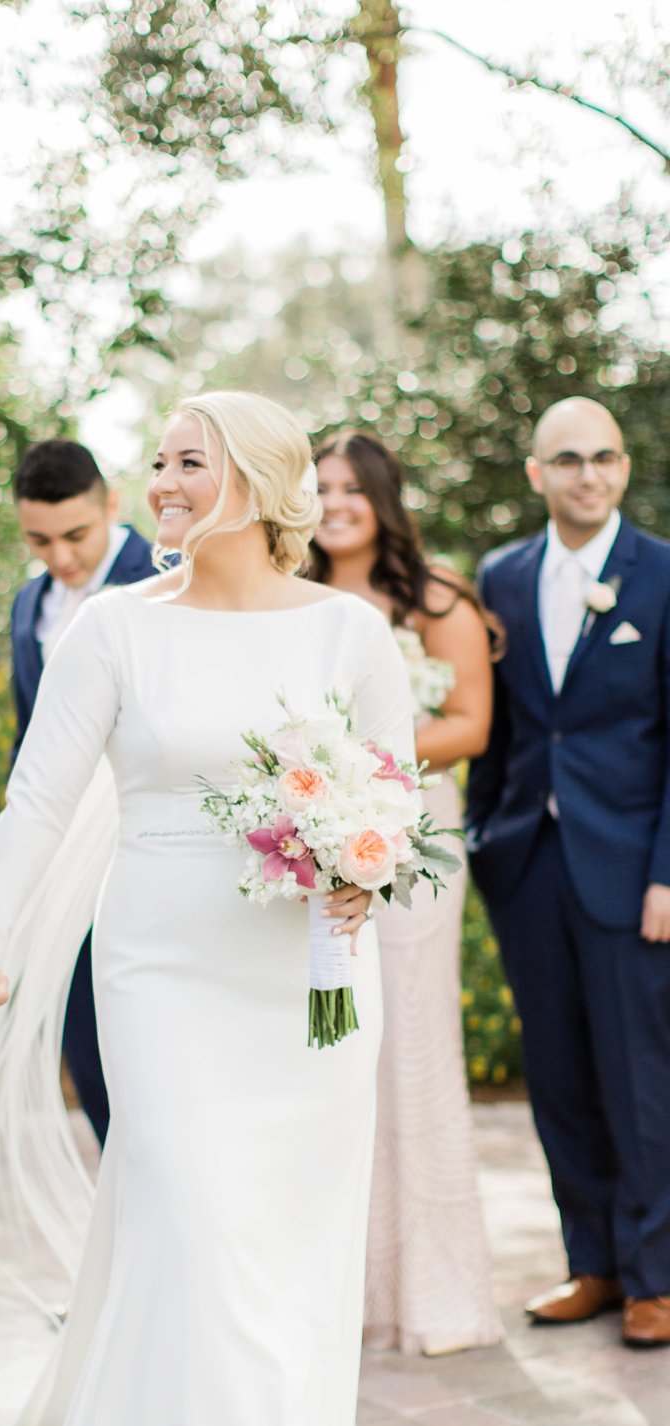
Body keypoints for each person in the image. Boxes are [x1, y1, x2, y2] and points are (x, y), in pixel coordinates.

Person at [0, 392, 414, 1426]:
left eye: (190, 462)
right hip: (161, 968)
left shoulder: (348, 634)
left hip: (305, 977)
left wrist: (362, 873)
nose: (163, 483)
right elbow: (38, 801)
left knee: (283, 1246)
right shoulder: (119, 632)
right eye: (160, 463)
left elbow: (397, 806)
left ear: (257, 478)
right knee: (193, 1219)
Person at [467, 395, 670, 1349]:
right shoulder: (500, 577)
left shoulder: (662, 574)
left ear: (623, 469)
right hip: (526, 863)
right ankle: (589, 1262)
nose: (590, 474)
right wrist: (480, 840)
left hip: (632, 869)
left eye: (605, 458)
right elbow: (502, 727)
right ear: (537, 473)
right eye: (569, 459)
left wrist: (669, 872)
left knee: (641, 1076)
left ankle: (655, 1275)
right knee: (556, 1074)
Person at [312, 430, 502, 1356]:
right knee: (331, 1046)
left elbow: (470, 723)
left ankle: (432, 1292)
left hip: (413, 840)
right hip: (314, 844)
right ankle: (342, 1290)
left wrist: (360, 748)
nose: (337, 502)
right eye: (322, 487)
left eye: (353, 487)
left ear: (384, 497)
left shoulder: (437, 600)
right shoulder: (291, 596)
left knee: (415, 1047)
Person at [10, 440, 156, 1144]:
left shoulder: (171, 581)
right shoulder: (27, 606)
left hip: (151, 856)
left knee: (153, 1058)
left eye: (76, 536)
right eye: (38, 540)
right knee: (88, 1051)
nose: (60, 558)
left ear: (111, 506)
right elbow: (28, 747)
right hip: (65, 866)